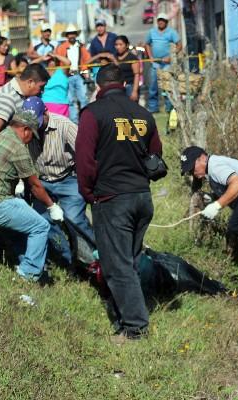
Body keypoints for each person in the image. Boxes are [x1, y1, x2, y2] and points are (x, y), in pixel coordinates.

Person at [76, 64, 163, 340]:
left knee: (117, 266)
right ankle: (126, 316)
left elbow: (84, 161)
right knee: (131, 261)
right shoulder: (144, 114)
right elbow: (156, 156)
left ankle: (135, 328)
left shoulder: (92, 114)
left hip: (112, 199)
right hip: (142, 198)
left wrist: (88, 193)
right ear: (124, 84)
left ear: (98, 88)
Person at [0, 108, 65, 283]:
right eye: (32, 135)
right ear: (25, 130)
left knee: (20, 232)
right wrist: (52, 206)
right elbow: (34, 185)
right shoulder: (18, 147)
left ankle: (24, 265)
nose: (31, 139)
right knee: (40, 227)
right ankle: (29, 275)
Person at [25, 97, 94, 267]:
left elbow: (84, 151)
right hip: (42, 181)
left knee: (74, 219)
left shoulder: (64, 125)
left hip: (68, 178)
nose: (36, 128)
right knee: (42, 222)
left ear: (46, 112)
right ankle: (67, 258)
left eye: (39, 122)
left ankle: (94, 253)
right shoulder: (25, 128)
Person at [145, 13, 181, 113]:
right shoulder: (152, 32)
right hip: (155, 64)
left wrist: (171, 57)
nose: (161, 22)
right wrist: (150, 57)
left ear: (166, 22)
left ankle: (169, 108)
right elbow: (147, 44)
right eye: (159, 20)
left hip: (167, 64)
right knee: (153, 86)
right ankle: (153, 108)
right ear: (157, 21)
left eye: (163, 20)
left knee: (167, 86)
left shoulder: (171, 32)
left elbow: (179, 45)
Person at [55, 24, 90, 124]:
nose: (71, 36)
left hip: (79, 75)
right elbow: (58, 61)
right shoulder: (61, 47)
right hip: (67, 76)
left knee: (83, 98)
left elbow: (86, 60)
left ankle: (85, 121)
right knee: (70, 101)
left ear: (76, 35)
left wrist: (85, 72)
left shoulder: (81, 46)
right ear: (66, 36)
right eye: (69, 34)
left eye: (73, 33)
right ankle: (75, 122)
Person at [32, 52, 71, 117]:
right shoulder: (43, 72)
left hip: (61, 105)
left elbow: (68, 62)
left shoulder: (62, 71)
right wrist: (42, 58)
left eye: (53, 59)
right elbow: (30, 66)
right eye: (49, 59)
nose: (51, 60)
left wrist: (55, 55)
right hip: (46, 104)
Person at [115, 35, 140, 102]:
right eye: (116, 45)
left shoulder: (132, 58)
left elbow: (137, 75)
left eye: (120, 44)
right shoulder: (114, 58)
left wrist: (134, 91)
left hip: (130, 86)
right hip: (118, 87)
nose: (118, 47)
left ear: (126, 45)